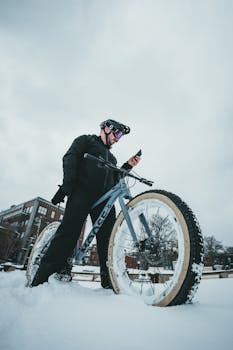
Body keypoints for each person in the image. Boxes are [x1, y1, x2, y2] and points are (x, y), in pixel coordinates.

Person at [31, 119, 140, 288]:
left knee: (108, 238)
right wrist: (68, 185)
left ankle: (109, 283)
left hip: (103, 199)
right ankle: (42, 280)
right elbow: (70, 157)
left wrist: (127, 166)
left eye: (120, 136)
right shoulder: (86, 141)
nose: (118, 139)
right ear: (106, 129)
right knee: (69, 231)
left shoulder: (112, 157)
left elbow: (114, 180)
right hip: (82, 191)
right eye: (117, 134)